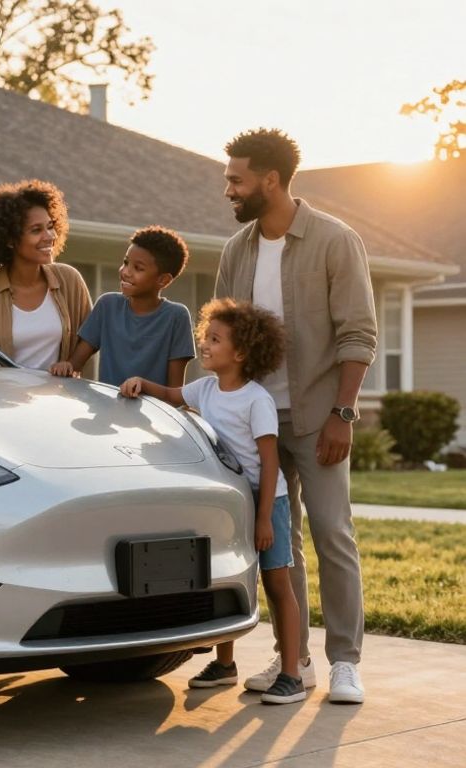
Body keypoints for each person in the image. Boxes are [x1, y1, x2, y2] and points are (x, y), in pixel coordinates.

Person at [216, 128, 375, 704]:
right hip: (257, 421)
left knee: (332, 533)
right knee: (281, 544)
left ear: (271, 180)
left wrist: (343, 412)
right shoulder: (238, 251)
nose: (228, 189)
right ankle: (296, 660)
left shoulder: (335, 241)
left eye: (237, 179)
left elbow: (358, 334)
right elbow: (223, 338)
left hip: (318, 416)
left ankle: (345, 662)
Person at [120, 298, 304, 704]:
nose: (204, 344)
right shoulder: (204, 388)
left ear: (239, 353)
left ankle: (291, 673)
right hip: (229, 499)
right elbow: (170, 394)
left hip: (266, 500)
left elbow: (271, 463)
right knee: (226, 579)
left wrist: (264, 519)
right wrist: (141, 384)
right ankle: (225, 665)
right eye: (206, 336)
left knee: (276, 584)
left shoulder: (256, 400)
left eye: (215, 340)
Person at [0, 180, 91, 370]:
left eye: (50, 226)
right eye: (36, 230)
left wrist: (70, 365)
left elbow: (91, 339)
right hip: (0, 398)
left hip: (59, 398)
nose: (49, 236)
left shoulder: (70, 280)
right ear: (10, 240)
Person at [50, 226, 195, 387]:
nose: (126, 272)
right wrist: (66, 366)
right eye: (126, 263)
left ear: (163, 280)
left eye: (138, 268)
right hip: (107, 409)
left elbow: (174, 393)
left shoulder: (177, 317)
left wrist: (142, 387)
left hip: (152, 411)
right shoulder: (107, 306)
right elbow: (75, 364)